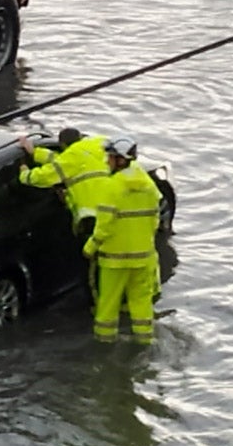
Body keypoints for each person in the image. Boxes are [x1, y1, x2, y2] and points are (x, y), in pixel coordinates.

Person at [82, 136, 162, 345]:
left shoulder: (110, 187)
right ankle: (144, 342)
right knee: (141, 304)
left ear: (120, 160)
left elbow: (104, 225)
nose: (107, 161)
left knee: (108, 306)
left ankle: (104, 345)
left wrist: (90, 247)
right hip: (144, 258)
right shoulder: (148, 184)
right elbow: (155, 220)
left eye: (110, 157)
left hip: (114, 260)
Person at [18, 127, 111, 300]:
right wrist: (35, 152)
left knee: (91, 268)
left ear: (62, 145)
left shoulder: (70, 159)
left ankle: (98, 305)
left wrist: (24, 173)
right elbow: (62, 161)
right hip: (116, 213)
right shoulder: (97, 144)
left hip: (92, 221)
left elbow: (45, 176)